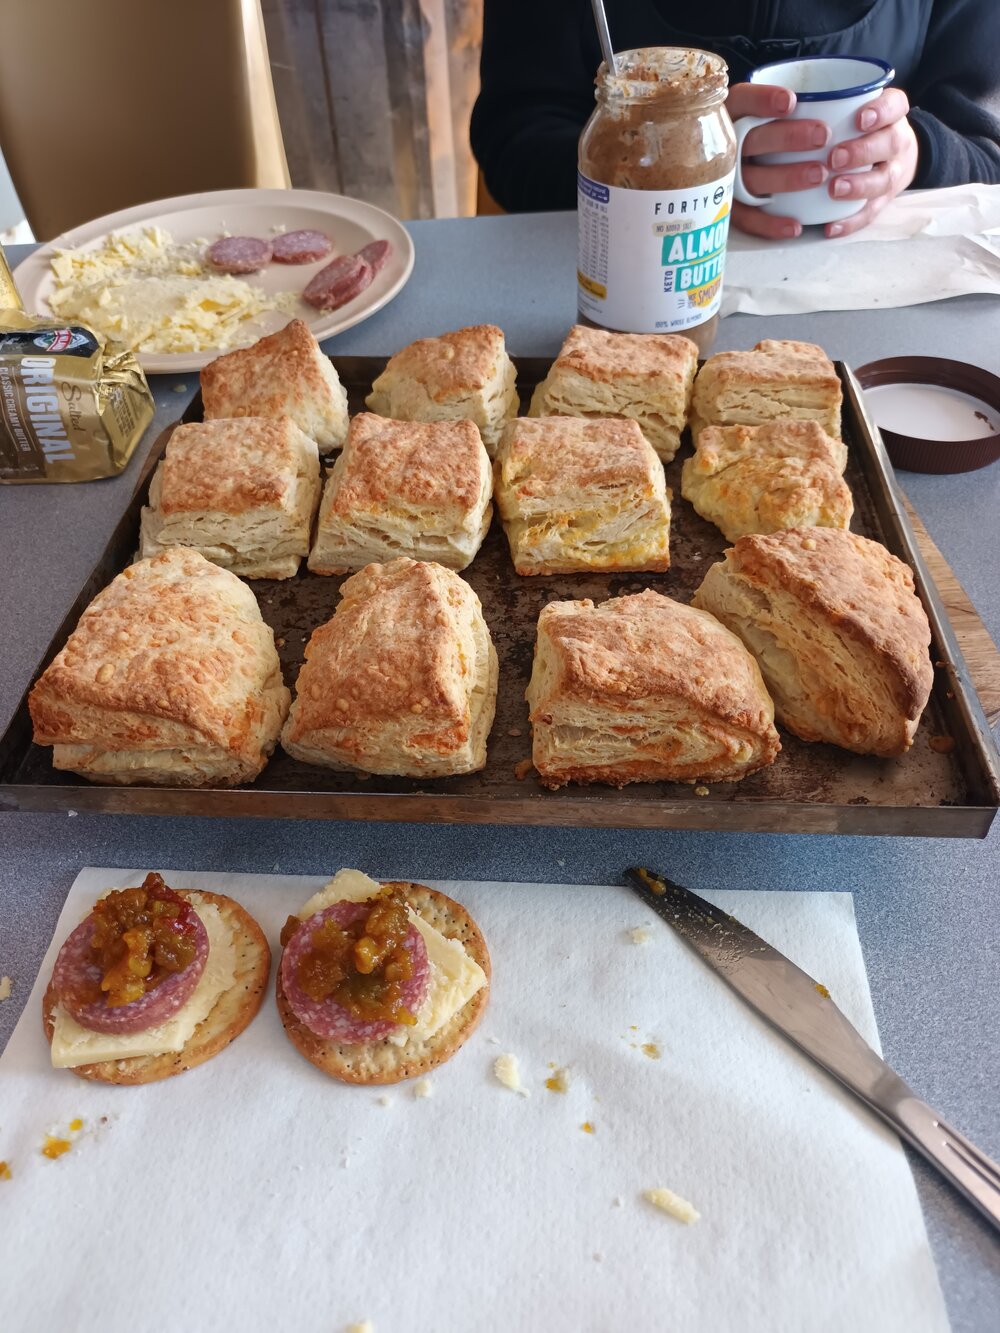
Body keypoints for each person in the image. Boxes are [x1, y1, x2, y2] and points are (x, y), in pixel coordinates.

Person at [470, 0, 1000, 238]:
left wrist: (920, 151)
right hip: (618, 291)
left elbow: (986, 151)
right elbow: (513, 136)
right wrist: (669, 153)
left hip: (887, 324)